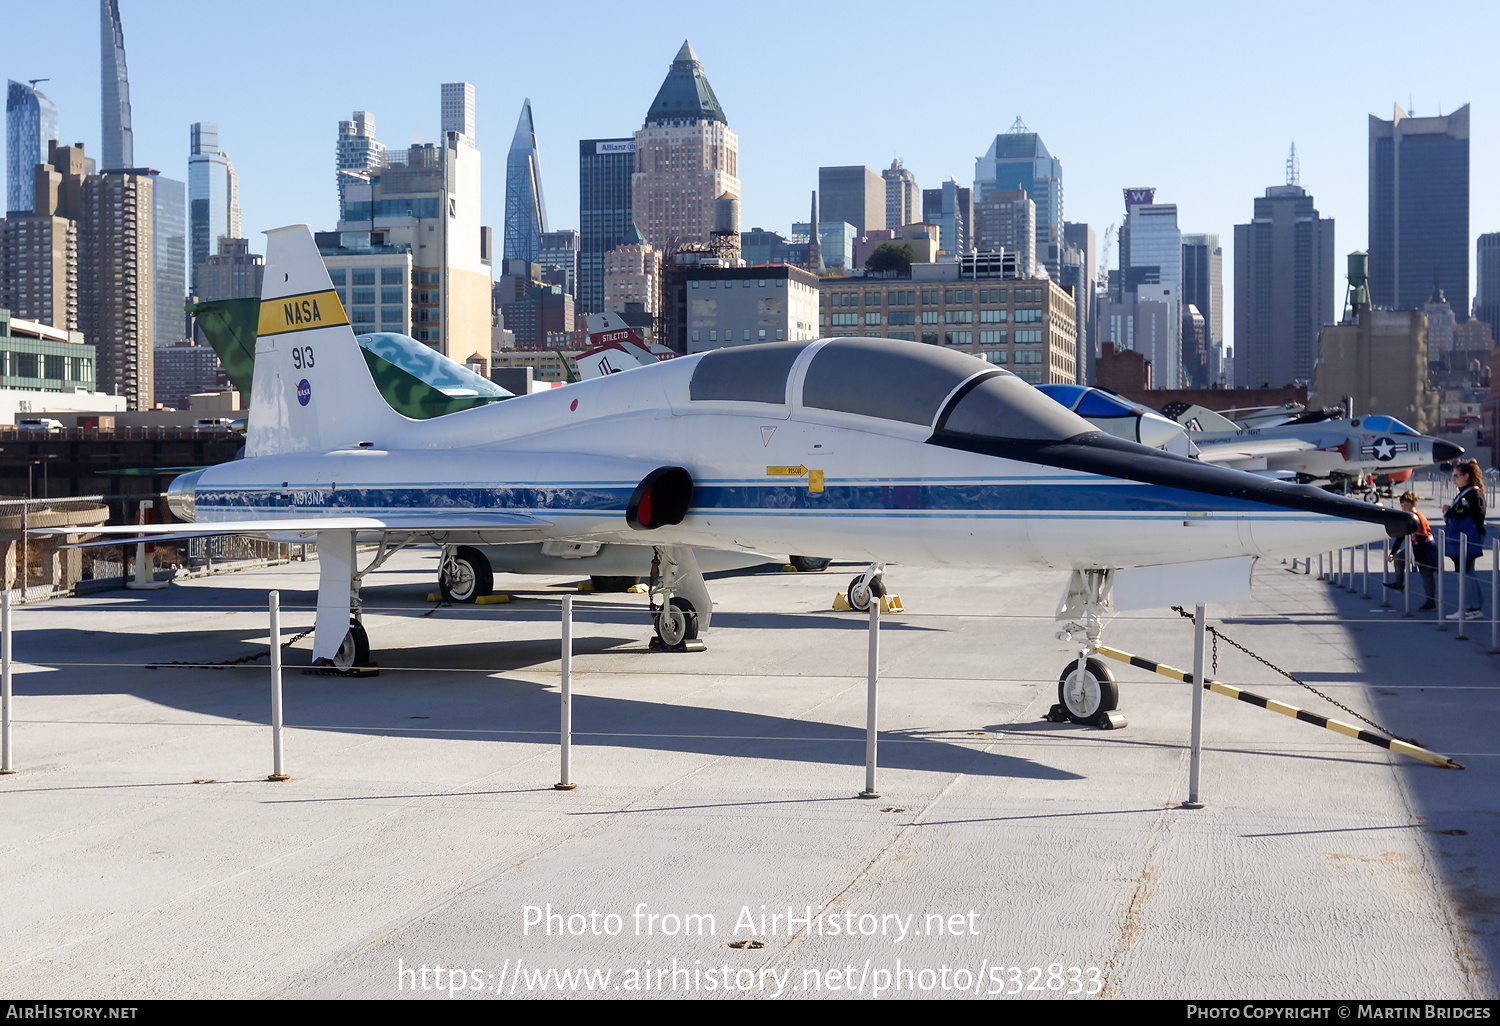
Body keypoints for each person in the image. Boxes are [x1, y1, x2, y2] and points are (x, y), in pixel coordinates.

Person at [1441, 459, 1487, 620]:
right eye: (1453, 476)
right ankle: (1474, 607)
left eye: (1457, 476)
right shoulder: (1465, 492)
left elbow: (1477, 516)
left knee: (1466, 572)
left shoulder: (1473, 493)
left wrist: (1452, 511)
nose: (1454, 479)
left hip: (1469, 537)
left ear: (1466, 476)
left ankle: (1471, 608)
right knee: (1468, 572)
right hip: (1464, 536)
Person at [1385, 490, 1437, 610]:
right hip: (1413, 547)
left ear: (1414, 504)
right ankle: (1399, 583)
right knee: (1398, 559)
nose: (1404, 508)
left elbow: (1423, 537)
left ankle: (1431, 602)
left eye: (1406, 505)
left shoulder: (1419, 518)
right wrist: (1392, 553)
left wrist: (1418, 559)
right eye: (1402, 505)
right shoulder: (1406, 518)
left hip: (1425, 549)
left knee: (1426, 576)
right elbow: (1400, 537)